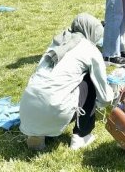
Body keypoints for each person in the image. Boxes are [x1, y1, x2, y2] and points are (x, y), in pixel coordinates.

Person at [19, 13, 114, 151]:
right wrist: (112, 95)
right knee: (90, 80)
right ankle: (81, 136)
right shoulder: (90, 49)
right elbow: (105, 97)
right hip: (56, 109)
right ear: (91, 32)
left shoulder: (57, 41)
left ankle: (36, 135)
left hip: (27, 108)